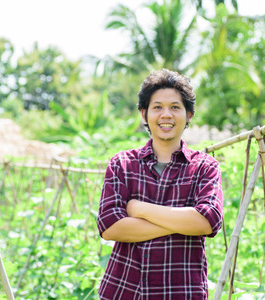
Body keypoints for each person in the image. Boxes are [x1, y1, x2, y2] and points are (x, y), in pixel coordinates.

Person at [96, 69, 224, 299]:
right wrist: (183, 223)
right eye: (157, 107)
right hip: (124, 290)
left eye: (175, 107)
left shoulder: (205, 167)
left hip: (182, 291)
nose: (166, 114)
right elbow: (109, 227)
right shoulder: (123, 164)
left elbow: (207, 222)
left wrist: (139, 209)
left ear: (189, 114)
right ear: (144, 114)